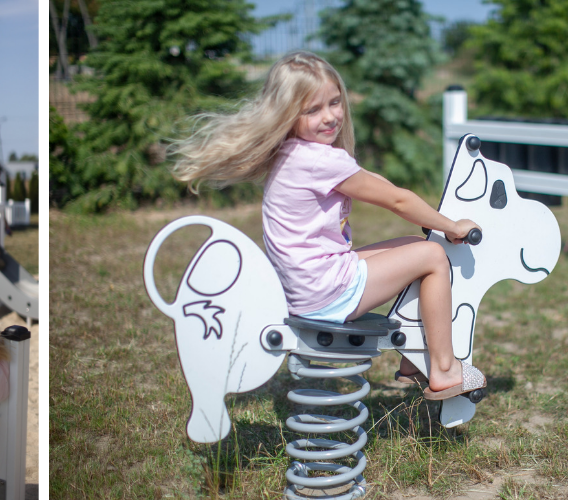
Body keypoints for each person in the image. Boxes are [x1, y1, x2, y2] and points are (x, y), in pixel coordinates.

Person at [170, 51, 485, 400]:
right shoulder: (320, 160)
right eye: (313, 110)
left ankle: (414, 357)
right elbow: (397, 201)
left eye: (335, 103)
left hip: (305, 285)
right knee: (433, 255)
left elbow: (374, 183)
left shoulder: (291, 152)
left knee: (411, 244)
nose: (330, 116)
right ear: (287, 115)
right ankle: (444, 369)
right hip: (324, 292)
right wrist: (451, 226)